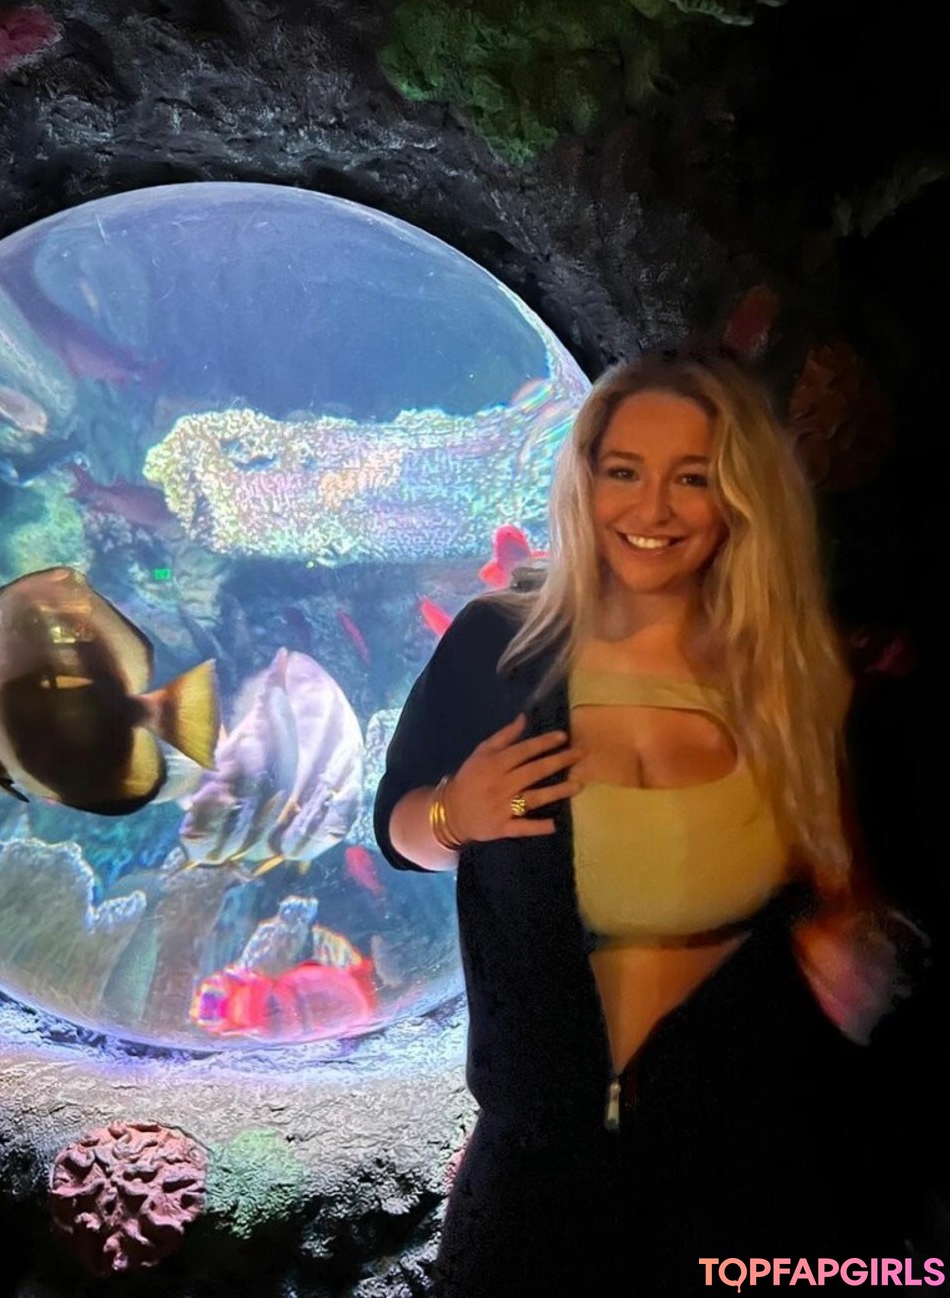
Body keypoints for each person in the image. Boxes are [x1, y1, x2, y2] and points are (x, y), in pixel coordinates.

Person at [374, 349, 925, 1296]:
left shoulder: (792, 666)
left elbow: (848, 884)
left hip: (753, 1166)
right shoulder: (497, 644)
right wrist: (451, 812)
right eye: (625, 470)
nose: (653, 508)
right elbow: (396, 834)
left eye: (692, 477)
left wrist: (849, 933)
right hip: (535, 1164)